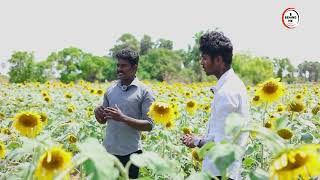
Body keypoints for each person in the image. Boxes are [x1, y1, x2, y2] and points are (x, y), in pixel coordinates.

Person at [182, 31, 250, 180]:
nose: (201, 62)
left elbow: (222, 144)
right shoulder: (232, 85)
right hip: (226, 169)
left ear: (218, 60)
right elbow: (223, 134)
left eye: (205, 58)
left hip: (222, 172)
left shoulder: (227, 92)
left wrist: (197, 141)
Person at [94, 48, 155, 179]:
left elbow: (149, 125)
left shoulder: (144, 92)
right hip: (109, 151)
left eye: (123, 66)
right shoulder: (110, 90)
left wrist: (123, 118)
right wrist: (97, 112)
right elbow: (103, 120)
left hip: (131, 153)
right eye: (118, 65)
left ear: (134, 67)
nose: (119, 69)